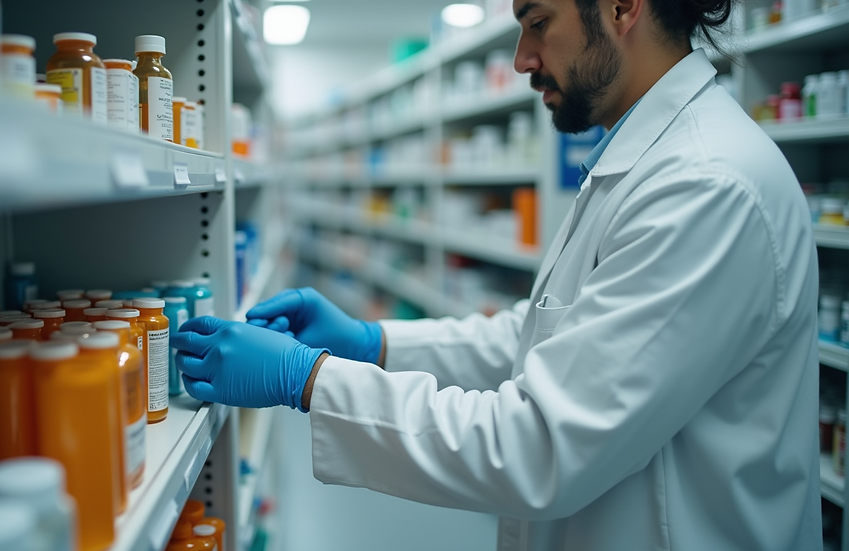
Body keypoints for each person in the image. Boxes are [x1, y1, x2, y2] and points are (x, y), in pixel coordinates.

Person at [171, 0, 822, 548]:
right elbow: (543, 336)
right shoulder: (647, 159)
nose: (521, 58)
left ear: (624, 6)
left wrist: (307, 379)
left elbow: (540, 445)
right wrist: (374, 344)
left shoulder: (705, 185)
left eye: (538, 21)